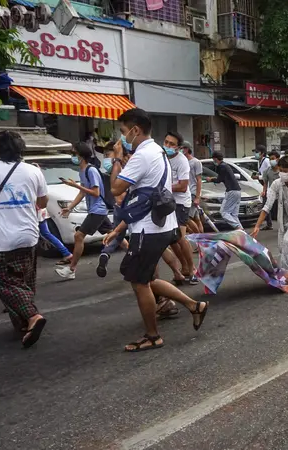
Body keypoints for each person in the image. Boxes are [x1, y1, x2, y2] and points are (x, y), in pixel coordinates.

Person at [106, 108, 209, 352]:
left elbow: (116, 189)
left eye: (123, 132)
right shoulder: (156, 151)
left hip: (148, 230)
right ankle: (194, 305)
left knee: (139, 281)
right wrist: (120, 227)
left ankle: (153, 336)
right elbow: (143, 196)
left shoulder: (143, 154)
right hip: (157, 225)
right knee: (148, 278)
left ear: (135, 130)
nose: (121, 137)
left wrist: (118, 159)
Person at [0, 131, 48, 348]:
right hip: (29, 235)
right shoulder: (33, 171)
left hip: (2, 239)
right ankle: (22, 326)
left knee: (0, 281)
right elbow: (42, 202)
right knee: (25, 281)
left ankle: (33, 316)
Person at [55, 142, 114, 280]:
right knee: (114, 234)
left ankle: (71, 269)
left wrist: (75, 185)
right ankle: (133, 254)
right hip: (96, 210)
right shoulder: (82, 171)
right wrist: (69, 208)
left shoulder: (91, 170)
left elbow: (95, 192)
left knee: (78, 236)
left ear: (81, 156)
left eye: (74, 154)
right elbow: (82, 193)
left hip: (97, 210)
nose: (72, 156)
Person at [163, 131, 197, 285]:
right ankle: (183, 268)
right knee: (171, 239)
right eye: (166, 142)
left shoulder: (182, 161)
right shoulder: (161, 157)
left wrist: (164, 188)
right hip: (166, 202)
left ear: (178, 147)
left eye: (172, 144)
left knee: (180, 237)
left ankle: (192, 269)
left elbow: (183, 186)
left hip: (181, 202)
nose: (168, 146)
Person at [96, 142, 130, 277]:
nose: (105, 158)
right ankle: (130, 263)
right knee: (135, 237)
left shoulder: (117, 169)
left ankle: (105, 253)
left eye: (108, 154)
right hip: (129, 208)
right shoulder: (122, 168)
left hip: (118, 207)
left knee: (118, 236)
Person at [207, 152, 243, 230]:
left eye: (213, 159)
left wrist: (211, 179)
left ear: (215, 159)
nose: (213, 161)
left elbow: (219, 179)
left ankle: (238, 227)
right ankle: (241, 232)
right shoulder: (226, 166)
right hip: (237, 191)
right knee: (233, 215)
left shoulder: (221, 166)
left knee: (224, 212)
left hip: (231, 191)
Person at [182, 141, 204, 235]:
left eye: (181, 148)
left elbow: (199, 180)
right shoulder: (182, 161)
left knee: (186, 218)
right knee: (197, 219)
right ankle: (201, 240)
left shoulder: (196, 162)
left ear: (186, 149)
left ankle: (198, 237)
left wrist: (197, 197)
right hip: (186, 192)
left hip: (192, 193)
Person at [260, 151, 281, 231]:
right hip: (272, 193)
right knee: (265, 207)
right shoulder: (267, 171)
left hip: (282, 193)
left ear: (277, 159)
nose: (271, 161)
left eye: (273, 159)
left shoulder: (282, 169)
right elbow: (265, 183)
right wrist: (264, 191)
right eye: (270, 159)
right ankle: (269, 224)